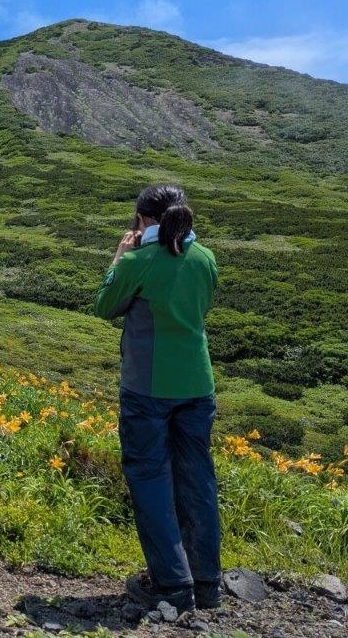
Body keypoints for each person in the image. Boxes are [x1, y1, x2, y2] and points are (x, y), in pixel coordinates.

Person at [93, 184, 222, 613]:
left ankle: (171, 584)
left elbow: (105, 305)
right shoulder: (205, 258)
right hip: (197, 385)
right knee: (197, 478)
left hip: (147, 388)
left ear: (144, 221)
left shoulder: (139, 261)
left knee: (150, 478)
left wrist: (119, 257)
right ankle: (207, 583)